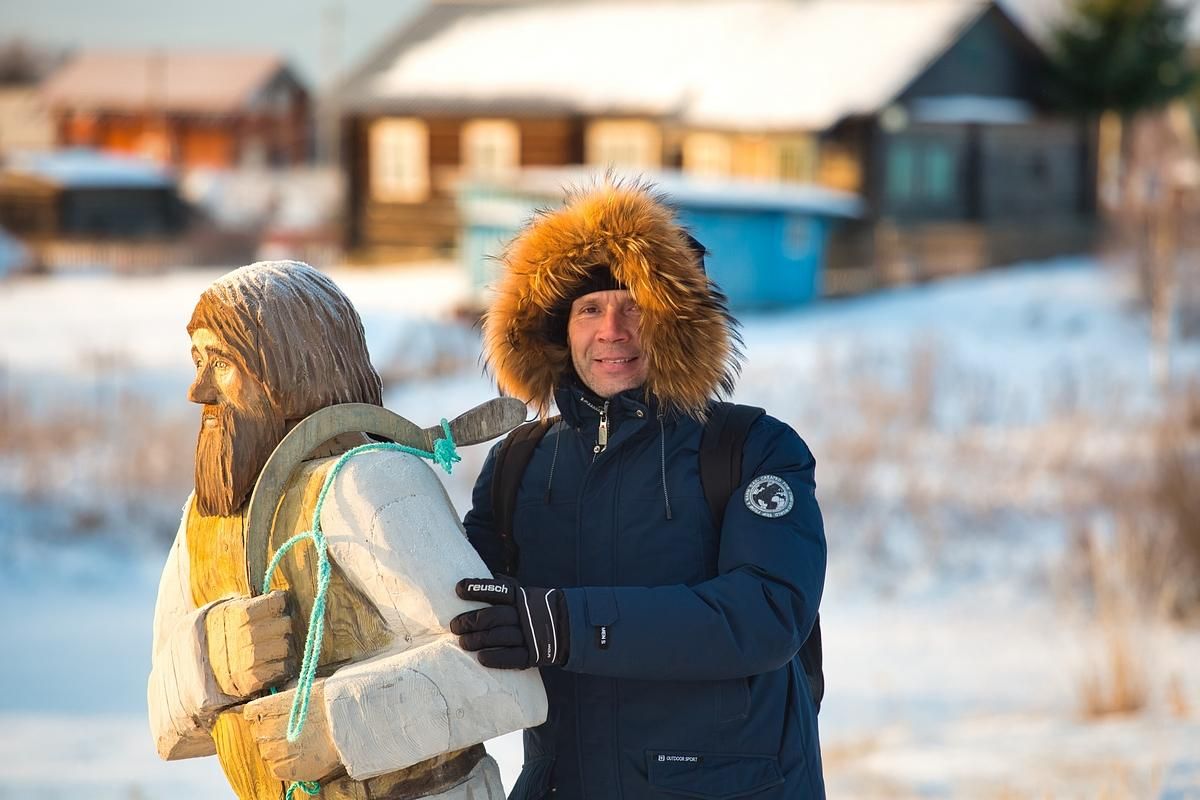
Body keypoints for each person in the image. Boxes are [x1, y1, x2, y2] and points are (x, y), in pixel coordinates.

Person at [451, 182, 827, 798]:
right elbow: (454, 604)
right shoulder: (520, 463)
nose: (612, 331)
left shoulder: (750, 449)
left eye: (635, 307)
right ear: (558, 331)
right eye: (589, 309)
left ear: (675, 326)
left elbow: (765, 614)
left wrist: (568, 625)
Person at [147, 260, 546, 800]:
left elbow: (502, 678)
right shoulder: (205, 518)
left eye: (219, 362)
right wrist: (213, 656)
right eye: (196, 359)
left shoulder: (371, 481)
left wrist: (340, 723)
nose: (197, 390)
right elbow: (167, 728)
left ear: (288, 366)